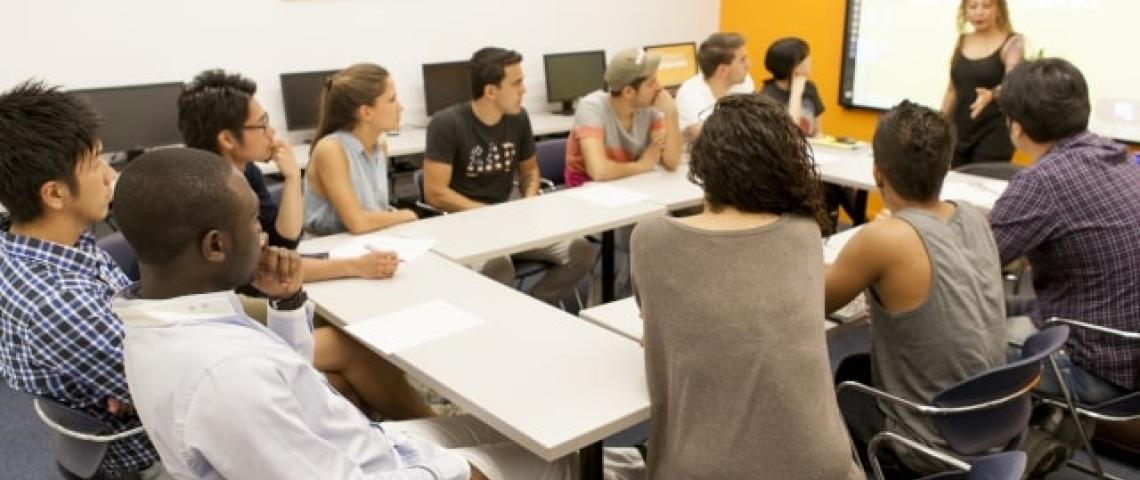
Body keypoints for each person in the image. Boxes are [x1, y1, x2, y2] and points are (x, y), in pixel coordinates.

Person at [111, 147, 644, 480]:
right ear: (214, 246)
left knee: (532, 437)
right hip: (387, 467)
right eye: (254, 222)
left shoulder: (170, 314)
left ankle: (635, 465)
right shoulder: (224, 377)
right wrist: (453, 471)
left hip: (373, 447)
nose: (265, 234)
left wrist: (289, 302)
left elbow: (284, 375)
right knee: (565, 462)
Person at [178, 69, 434, 419]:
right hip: (217, 321)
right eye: (263, 125)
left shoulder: (245, 173)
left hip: (243, 304)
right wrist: (353, 266)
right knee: (355, 346)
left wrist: (289, 177)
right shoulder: (212, 193)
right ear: (227, 139)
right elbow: (270, 266)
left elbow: (285, 239)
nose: (272, 133)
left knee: (335, 379)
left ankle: (392, 431)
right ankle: (431, 426)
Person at [631, 94, 861, 480]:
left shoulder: (651, 239)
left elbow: (656, 324)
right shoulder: (804, 234)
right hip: (827, 467)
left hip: (703, 471)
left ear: (703, 166)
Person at [825, 101, 1007, 477]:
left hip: (929, 444)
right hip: (993, 422)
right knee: (856, 367)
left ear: (877, 171)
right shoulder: (974, 216)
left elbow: (814, 298)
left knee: (839, 390)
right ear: (947, 165)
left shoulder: (886, 239)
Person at [0, 80, 171, 479]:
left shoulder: (48, 240)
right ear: (55, 194)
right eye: (95, 162)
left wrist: (133, 386)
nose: (110, 174)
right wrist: (141, 390)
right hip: (136, 452)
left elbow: (130, 313)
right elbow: (174, 392)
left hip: (132, 409)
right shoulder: (53, 301)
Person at [991, 58, 1139, 403]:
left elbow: (972, 263)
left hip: (1095, 368)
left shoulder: (1042, 181)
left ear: (1016, 128)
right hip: (1128, 353)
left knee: (955, 344)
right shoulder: (1117, 156)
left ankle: (1000, 443)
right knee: (1008, 304)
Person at [424, 47, 593, 305]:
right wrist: (486, 214)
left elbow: (530, 171)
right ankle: (498, 322)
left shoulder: (518, 118)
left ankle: (534, 307)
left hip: (510, 221)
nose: (524, 90)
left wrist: (528, 199)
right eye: (516, 83)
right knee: (498, 266)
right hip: (465, 226)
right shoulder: (447, 124)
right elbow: (435, 193)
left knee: (580, 251)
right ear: (491, 91)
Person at [304, 63, 418, 235]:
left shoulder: (380, 145)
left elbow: (374, 213)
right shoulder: (331, 149)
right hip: (330, 250)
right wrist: (407, 214)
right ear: (366, 112)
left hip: (369, 242)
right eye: (392, 99)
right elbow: (357, 223)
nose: (401, 107)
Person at [563, 48, 682, 188]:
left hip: (629, 182)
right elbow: (599, 171)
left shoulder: (650, 108)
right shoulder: (591, 107)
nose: (659, 87)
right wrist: (642, 166)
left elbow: (671, 162)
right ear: (628, 92)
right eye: (651, 83)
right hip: (587, 186)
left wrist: (671, 113)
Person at [939, 0, 1024, 167]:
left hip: (994, 134)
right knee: (954, 186)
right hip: (959, 133)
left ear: (999, 9)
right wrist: (939, 123)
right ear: (964, 11)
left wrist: (992, 94)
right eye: (973, 6)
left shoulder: (1012, 42)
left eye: (986, 6)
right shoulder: (962, 41)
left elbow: (1013, 83)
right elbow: (952, 90)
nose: (979, 12)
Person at [675, 32, 755, 142]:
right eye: (742, 60)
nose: (749, 65)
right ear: (722, 70)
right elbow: (708, 138)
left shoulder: (744, 82)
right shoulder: (690, 94)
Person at [760, 37, 824, 137]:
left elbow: (818, 132)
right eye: (804, 58)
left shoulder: (810, 88)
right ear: (793, 67)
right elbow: (790, 136)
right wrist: (796, 94)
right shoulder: (766, 98)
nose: (810, 60)